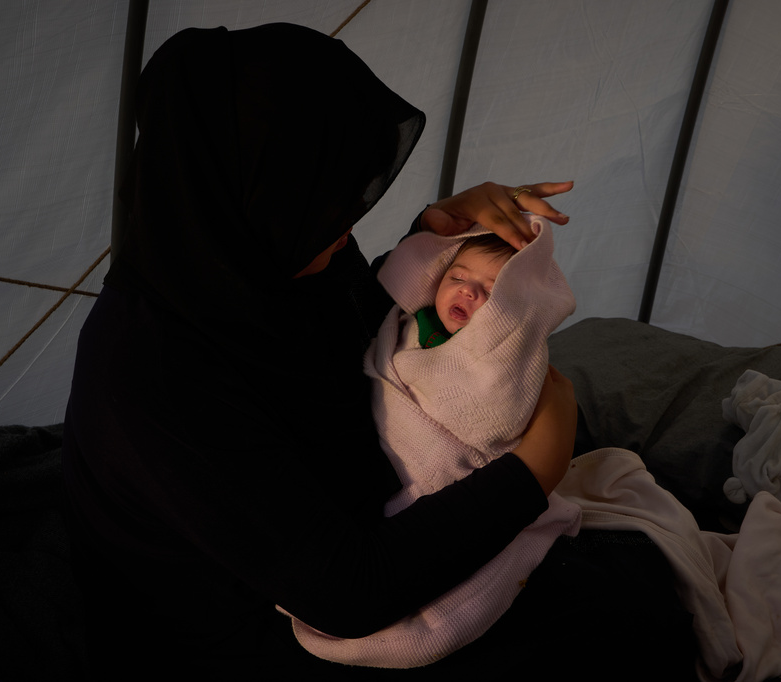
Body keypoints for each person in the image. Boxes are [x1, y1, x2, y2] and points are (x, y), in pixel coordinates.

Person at [61, 22, 696, 680]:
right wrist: (532, 472)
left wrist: (433, 248)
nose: (348, 224)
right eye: (325, 201)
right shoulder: (146, 375)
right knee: (622, 621)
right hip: (259, 636)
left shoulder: (262, 259)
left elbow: (350, 346)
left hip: (350, 529)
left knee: (628, 573)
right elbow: (346, 593)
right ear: (251, 194)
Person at [287, 216, 586, 668]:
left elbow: (494, 417)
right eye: (458, 277)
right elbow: (381, 358)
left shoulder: (502, 362)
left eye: (491, 290)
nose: (467, 291)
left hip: (445, 471)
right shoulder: (408, 323)